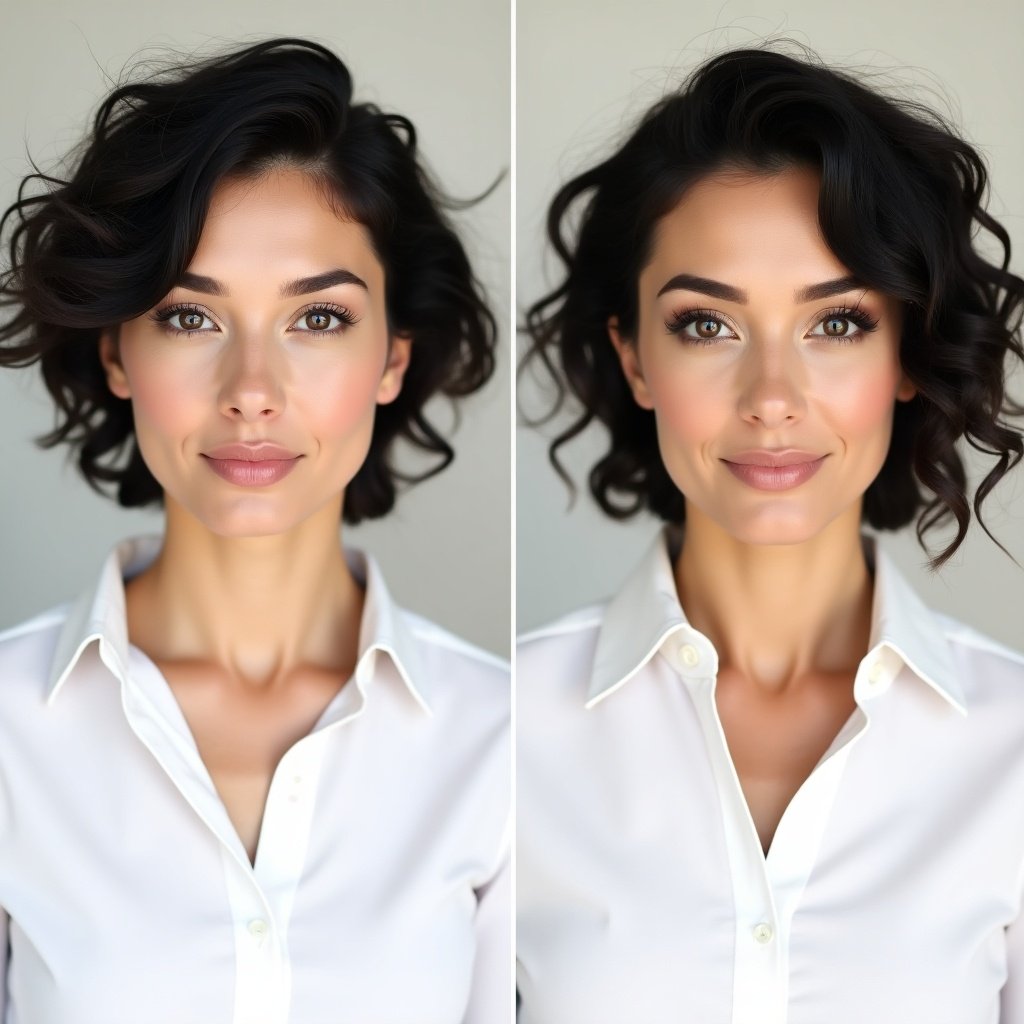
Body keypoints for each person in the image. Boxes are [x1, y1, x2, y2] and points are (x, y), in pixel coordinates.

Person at [0, 37, 509, 1023]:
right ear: (117, 350)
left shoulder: (501, 744)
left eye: (317, 319)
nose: (252, 393)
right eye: (191, 317)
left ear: (393, 359)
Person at [517, 43, 1024, 1023]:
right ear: (633, 359)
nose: (773, 400)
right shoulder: (503, 738)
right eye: (706, 325)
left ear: (908, 350)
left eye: (836, 324)